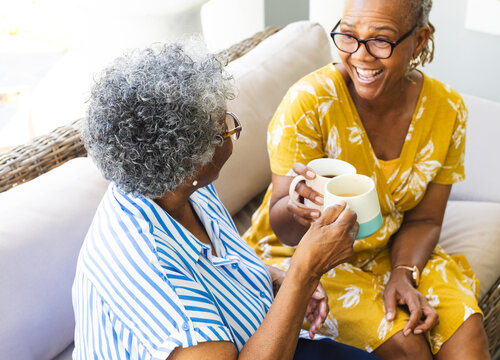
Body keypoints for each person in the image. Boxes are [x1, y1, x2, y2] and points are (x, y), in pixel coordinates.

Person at [72, 41, 380, 360]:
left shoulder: (173, 184)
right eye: (226, 126)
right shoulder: (149, 268)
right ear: (194, 160)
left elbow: (217, 267)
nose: (232, 128)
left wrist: (276, 279)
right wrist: (304, 272)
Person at [243, 0, 491, 359]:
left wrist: (404, 274)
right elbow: (282, 227)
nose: (360, 56)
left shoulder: (447, 109)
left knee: (467, 338)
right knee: (409, 345)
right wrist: (299, 207)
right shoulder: (309, 103)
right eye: (348, 35)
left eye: (380, 41)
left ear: (419, 40)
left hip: (391, 248)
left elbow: (424, 218)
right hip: (306, 253)